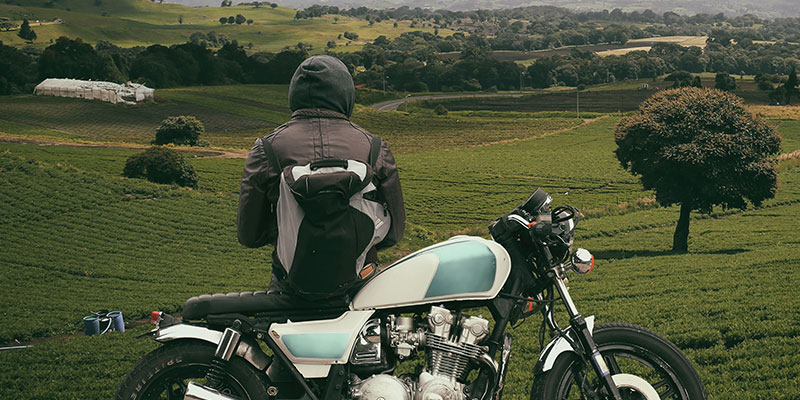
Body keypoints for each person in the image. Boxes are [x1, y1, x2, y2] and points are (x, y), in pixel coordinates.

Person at [237, 55, 405, 297]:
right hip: (362, 284)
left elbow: (249, 235)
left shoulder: (267, 149)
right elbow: (394, 233)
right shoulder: (374, 147)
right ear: (346, 94)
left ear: (294, 94)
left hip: (291, 287)